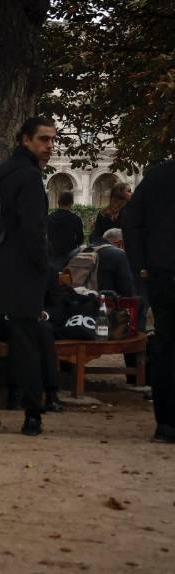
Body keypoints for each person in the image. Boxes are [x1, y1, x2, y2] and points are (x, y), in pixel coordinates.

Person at [0, 116, 55, 436]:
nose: (49, 146)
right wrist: (43, 266)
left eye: (51, 139)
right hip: (20, 272)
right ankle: (32, 414)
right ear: (25, 140)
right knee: (25, 345)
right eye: (43, 139)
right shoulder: (30, 178)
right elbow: (34, 230)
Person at [122, 158, 175, 443]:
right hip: (163, 270)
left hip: (162, 272)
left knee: (166, 344)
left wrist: (141, 265)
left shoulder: (156, 176)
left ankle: (166, 423)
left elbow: (131, 221)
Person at [47, 191, 85, 272]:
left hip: (52, 256)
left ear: (58, 202)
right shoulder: (75, 219)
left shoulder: (49, 218)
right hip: (69, 256)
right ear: (72, 203)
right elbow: (80, 240)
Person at [92, 228, 136, 297]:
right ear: (120, 243)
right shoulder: (119, 254)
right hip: (107, 302)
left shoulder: (79, 251)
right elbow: (127, 290)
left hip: (79, 302)